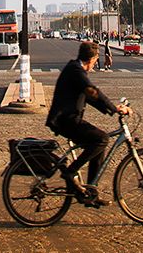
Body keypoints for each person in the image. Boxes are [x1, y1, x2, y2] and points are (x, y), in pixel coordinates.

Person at [46, 41, 130, 208]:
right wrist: (114, 108)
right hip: (65, 120)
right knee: (102, 139)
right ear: (92, 59)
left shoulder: (75, 69)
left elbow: (90, 97)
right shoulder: (76, 71)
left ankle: (91, 193)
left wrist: (112, 109)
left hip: (69, 118)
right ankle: (70, 172)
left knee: (99, 145)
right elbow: (92, 91)